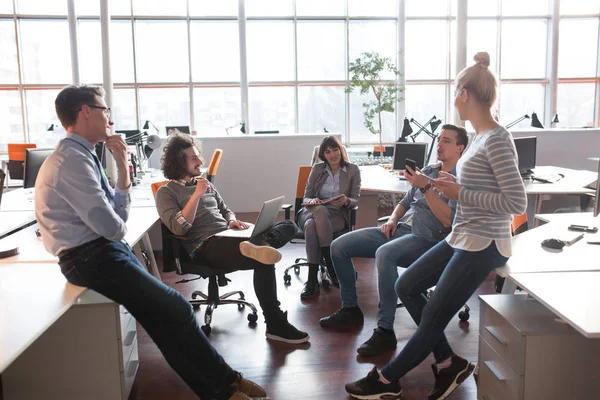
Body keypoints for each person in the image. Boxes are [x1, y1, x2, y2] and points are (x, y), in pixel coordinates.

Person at [35, 85, 268, 400]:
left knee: (163, 323)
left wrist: (121, 166)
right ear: (86, 111)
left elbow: (116, 217)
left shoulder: (84, 154)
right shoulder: (71, 162)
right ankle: (226, 381)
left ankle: (221, 391)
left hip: (103, 250)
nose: (110, 118)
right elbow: (114, 226)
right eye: (105, 110)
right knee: (177, 308)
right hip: (89, 257)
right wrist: (115, 218)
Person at [345, 52, 527, 400]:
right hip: (463, 235)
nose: (454, 100)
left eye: (455, 93)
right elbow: (479, 191)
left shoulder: (499, 139)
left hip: (484, 243)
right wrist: (448, 186)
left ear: (464, 94)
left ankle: (388, 380)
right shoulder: (478, 138)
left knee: (432, 319)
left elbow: (516, 203)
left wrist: (461, 191)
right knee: (407, 285)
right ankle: (449, 362)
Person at [319, 125, 469, 357]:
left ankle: (385, 329)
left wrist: (426, 187)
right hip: (399, 229)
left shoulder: (460, 180)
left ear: (460, 147)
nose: (439, 144)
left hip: (427, 240)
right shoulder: (428, 170)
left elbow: (448, 221)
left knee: (385, 254)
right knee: (339, 247)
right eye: (439, 139)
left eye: (446, 141)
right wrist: (392, 218)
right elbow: (405, 202)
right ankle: (350, 308)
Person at [155, 132, 309, 344]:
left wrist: (232, 221)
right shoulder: (166, 193)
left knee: (289, 225)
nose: (200, 161)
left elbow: (226, 209)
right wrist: (197, 195)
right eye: (193, 158)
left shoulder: (205, 183)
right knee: (264, 258)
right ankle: (275, 324)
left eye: (198, 156)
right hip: (205, 246)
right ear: (179, 162)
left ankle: (255, 244)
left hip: (230, 236)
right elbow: (179, 228)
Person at [296, 136, 361, 298]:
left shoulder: (352, 170)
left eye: (335, 149)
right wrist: (314, 201)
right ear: (323, 155)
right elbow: (306, 198)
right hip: (310, 212)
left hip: (337, 215)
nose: (332, 154)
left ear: (341, 150)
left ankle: (312, 280)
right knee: (319, 210)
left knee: (311, 227)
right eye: (328, 152)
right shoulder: (317, 169)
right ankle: (330, 264)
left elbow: (355, 199)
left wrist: (346, 200)